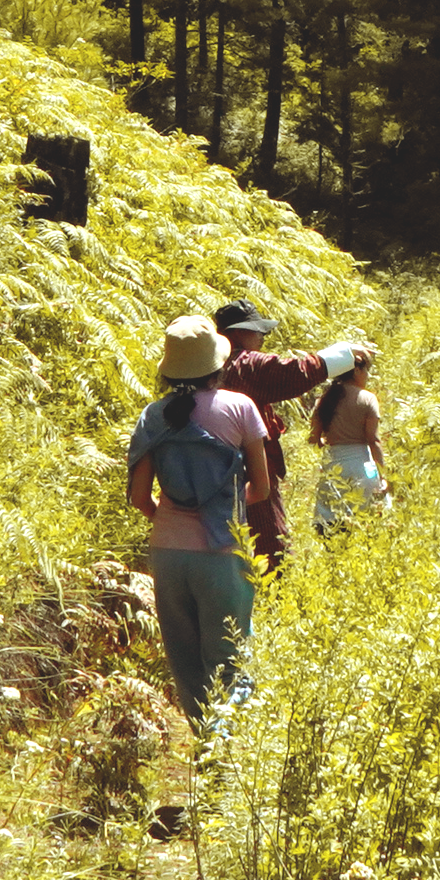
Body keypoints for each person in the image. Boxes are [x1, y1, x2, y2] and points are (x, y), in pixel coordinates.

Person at [126, 314, 270, 727]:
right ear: (217, 366)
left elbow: (140, 498)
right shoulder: (240, 408)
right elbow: (259, 489)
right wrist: (219, 512)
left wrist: (171, 519)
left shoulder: (152, 416)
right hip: (223, 549)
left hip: (168, 552)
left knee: (185, 658)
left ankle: (202, 740)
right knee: (229, 655)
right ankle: (222, 753)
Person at [207, 301, 371, 563]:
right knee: (272, 547)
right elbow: (292, 374)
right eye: (256, 331)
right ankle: (274, 596)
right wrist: (343, 355)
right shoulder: (245, 364)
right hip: (251, 467)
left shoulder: (205, 367)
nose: (262, 336)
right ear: (236, 333)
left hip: (206, 468)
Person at [310, 353, 392, 532]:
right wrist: (383, 477)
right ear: (357, 371)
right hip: (364, 465)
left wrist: (329, 439)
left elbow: (314, 438)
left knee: (330, 521)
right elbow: (373, 440)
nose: (367, 376)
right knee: (373, 515)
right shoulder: (367, 398)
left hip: (333, 465)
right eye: (366, 371)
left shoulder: (325, 400)